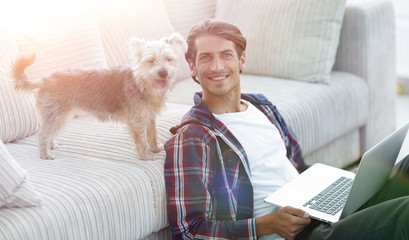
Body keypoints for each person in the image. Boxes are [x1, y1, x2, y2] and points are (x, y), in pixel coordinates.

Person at [164, 18, 409, 240]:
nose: (217, 66)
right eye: (206, 57)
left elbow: (299, 170)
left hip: (315, 215)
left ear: (242, 60)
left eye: (226, 55)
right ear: (192, 67)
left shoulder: (263, 108)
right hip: (295, 236)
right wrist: (267, 225)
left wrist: (345, 181)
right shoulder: (193, 137)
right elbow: (189, 231)